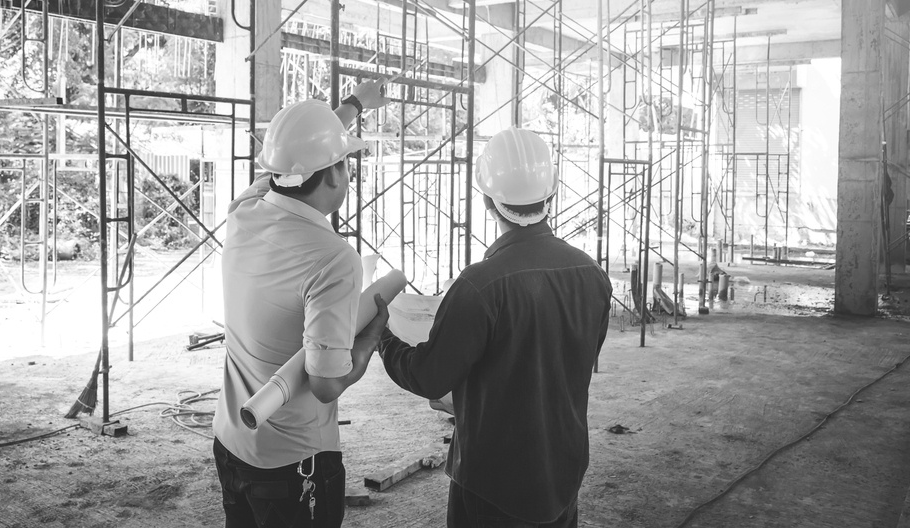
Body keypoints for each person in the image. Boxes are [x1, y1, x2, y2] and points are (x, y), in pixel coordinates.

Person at [379, 127, 612, 528]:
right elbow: (569, 364)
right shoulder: (592, 275)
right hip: (562, 472)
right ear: (551, 195)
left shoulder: (480, 285)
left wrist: (382, 336)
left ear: (487, 199)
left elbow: (428, 378)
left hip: (493, 481)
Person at [212, 80, 393, 528]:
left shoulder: (244, 211)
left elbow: (288, 161)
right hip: (294, 465)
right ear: (335, 174)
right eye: (347, 164)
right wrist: (370, 335)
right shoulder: (334, 259)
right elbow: (326, 384)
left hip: (231, 443)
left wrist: (352, 107)